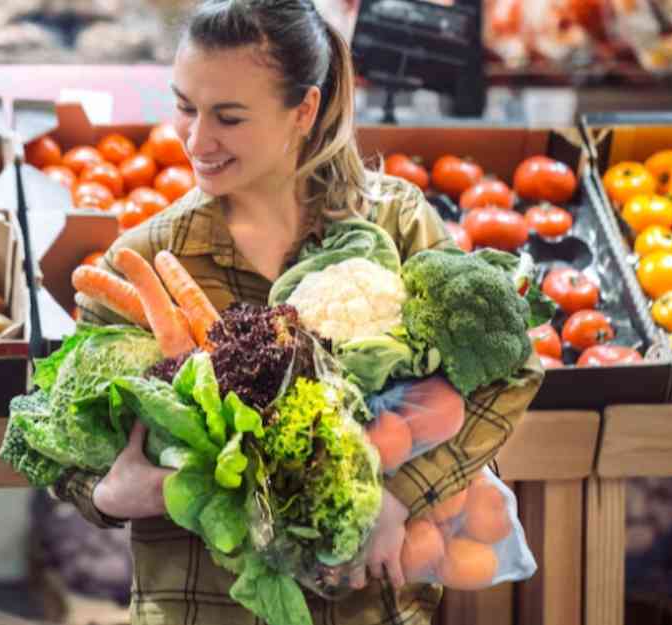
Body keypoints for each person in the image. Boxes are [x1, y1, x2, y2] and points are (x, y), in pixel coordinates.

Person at [51, 0, 544, 623]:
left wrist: (397, 497)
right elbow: (61, 441)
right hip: (201, 606)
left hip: (368, 608)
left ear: (304, 110)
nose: (196, 140)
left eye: (228, 117)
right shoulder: (146, 257)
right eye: (184, 107)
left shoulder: (395, 222)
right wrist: (109, 493)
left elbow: (507, 374)